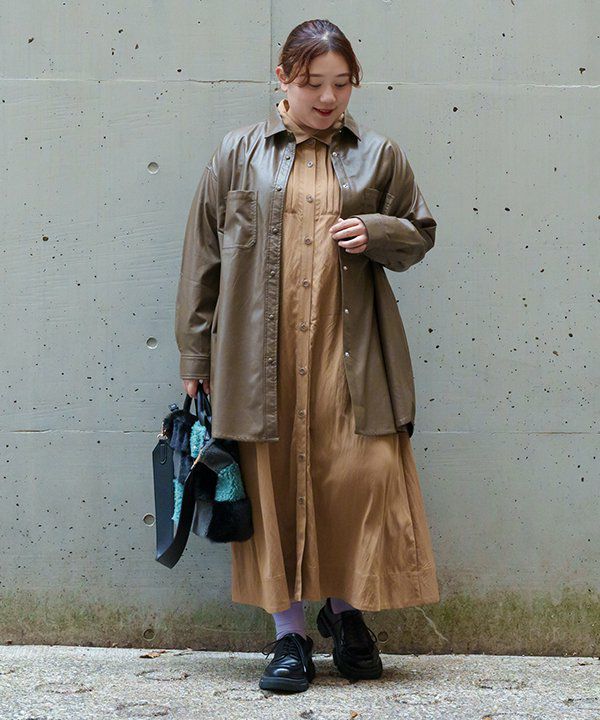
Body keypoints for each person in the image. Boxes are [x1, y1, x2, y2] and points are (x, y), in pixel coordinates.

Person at [175, 18, 440, 693]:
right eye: (313, 83)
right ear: (282, 79)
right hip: (257, 357)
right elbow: (202, 258)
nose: (327, 98)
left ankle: (346, 614)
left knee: (357, 477)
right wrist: (195, 355)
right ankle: (288, 635)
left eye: (341, 84)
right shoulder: (237, 153)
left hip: (348, 354)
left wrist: (376, 231)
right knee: (272, 489)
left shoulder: (379, 156)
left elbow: (420, 233)